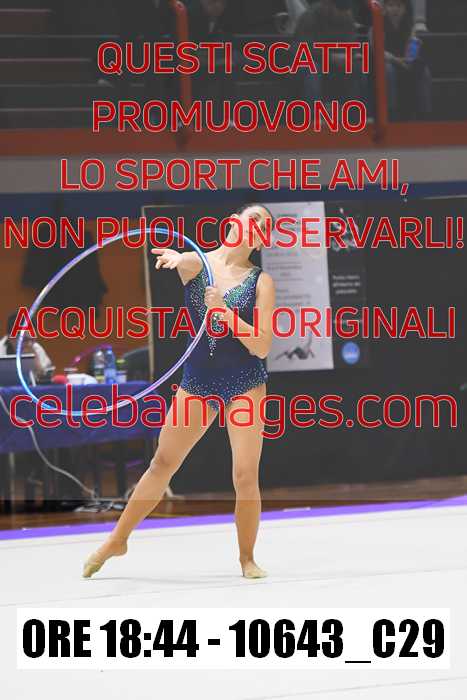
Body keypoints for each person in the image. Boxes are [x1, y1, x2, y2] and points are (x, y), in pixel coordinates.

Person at [83, 204, 276, 580]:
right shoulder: (198, 264)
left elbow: (262, 345)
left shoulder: (261, 281)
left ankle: (246, 558)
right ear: (232, 222)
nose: (256, 226)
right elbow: (186, 258)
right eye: (251, 218)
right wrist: (176, 257)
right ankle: (117, 541)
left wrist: (225, 313)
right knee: (162, 464)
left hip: (245, 381)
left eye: (263, 225)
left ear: (261, 240)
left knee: (244, 475)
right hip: (199, 381)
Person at [295, 0, 364, 105]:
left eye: (346, 10)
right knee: (312, 70)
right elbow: (303, 46)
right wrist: (330, 56)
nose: (343, 13)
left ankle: (354, 110)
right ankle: (315, 112)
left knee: (359, 67)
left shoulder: (347, 17)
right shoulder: (311, 15)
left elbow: (351, 43)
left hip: (335, 60)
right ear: (330, 5)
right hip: (309, 59)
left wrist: (352, 55)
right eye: (340, 9)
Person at [380, 0, 432, 120]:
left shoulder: (409, 25)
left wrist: (410, 57)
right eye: (391, 6)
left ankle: (423, 113)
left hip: (403, 60)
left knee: (424, 71)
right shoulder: (379, 24)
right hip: (387, 61)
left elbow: (412, 47)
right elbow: (378, 51)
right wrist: (397, 60)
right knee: (388, 70)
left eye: (399, 6)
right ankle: (390, 112)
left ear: (404, 9)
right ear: (385, 8)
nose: (395, 9)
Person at [0, 312, 53, 379]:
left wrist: (37, 365)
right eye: (25, 340)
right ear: (10, 338)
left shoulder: (37, 348)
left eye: (32, 339)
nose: (30, 344)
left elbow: (46, 379)